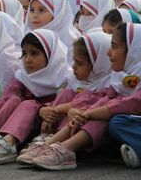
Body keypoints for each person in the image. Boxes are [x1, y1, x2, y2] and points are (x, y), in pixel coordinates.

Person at [30, 23, 141, 170]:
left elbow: (133, 103)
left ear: (134, 51)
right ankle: (49, 145)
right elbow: (107, 100)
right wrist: (85, 113)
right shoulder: (120, 77)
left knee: (114, 120)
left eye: (114, 46)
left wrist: (89, 113)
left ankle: (66, 149)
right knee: (99, 113)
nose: (108, 53)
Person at [0, 29, 69, 164]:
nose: (28, 60)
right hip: (21, 127)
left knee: (28, 104)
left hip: (48, 128)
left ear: (51, 55)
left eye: (34, 54)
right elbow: (7, 98)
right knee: (14, 99)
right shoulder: (22, 77)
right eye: (24, 54)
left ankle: (7, 144)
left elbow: (66, 102)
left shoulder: (64, 78)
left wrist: (43, 109)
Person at [17, 31, 112, 166]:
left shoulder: (110, 83)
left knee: (86, 105)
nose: (73, 67)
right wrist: (46, 110)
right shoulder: (75, 80)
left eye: (79, 63)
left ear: (99, 65)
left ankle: (58, 145)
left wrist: (65, 109)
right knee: (66, 94)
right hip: (70, 122)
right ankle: (47, 137)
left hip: (83, 126)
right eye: (74, 62)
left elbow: (91, 101)